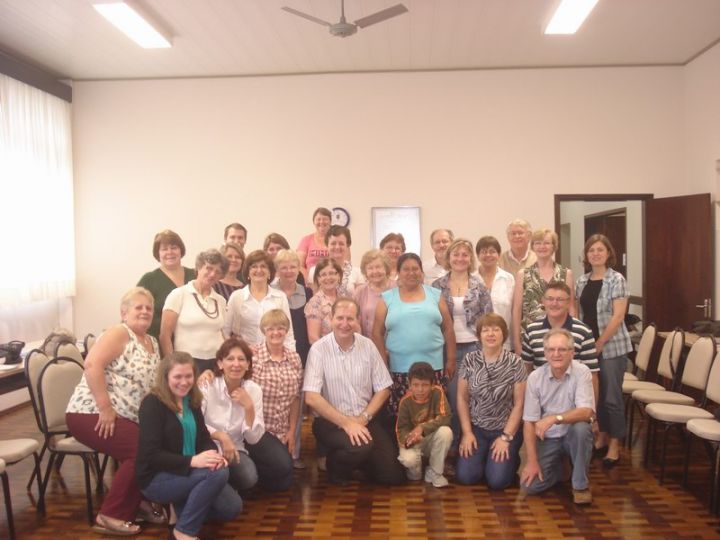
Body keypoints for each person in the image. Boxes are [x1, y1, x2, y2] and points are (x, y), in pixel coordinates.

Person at [66, 287, 164, 535]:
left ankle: (138, 503)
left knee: (153, 444)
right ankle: (110, 515)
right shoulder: (119, 333)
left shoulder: (151, 341)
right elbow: (92, 364)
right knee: (141, 449)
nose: (144, 311)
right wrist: (105, 407)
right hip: (91, 414)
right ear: (124, 312)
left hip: (127, 418)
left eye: (148, 308)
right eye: (138, 307)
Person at [135, 352, 242, 540]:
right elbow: (152, 455)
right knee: (217, 474)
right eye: (177, 376)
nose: (184, 382)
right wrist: (194, 461)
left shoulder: (192, 400)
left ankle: (180, 508)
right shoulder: (152, 404)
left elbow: (203, 437)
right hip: (157, 477)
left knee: (231, 508)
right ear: (166, 377)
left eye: (188, 376)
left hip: (188, 471)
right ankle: (183, 531)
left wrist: (213, 455)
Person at [303, 298, 406, 486]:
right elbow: (311, 397)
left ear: (357, 319)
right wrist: (347, 424)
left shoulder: (367, 346)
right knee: (361, 446)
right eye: (339, 318)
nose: (344, 324)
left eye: (350, 319)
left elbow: (384, 389)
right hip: (331, 422)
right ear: (331, 319)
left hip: (365, 418)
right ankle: (336, 468)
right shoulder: (319, 350)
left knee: (393, 476)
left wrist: (362, 419)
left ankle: (358, 461)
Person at [200, 337, 293, 493]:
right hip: (207, 445)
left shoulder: (253, 390)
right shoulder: (208, 384)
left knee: (249, 477)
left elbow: (253, 438)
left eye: (241, 359)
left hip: (236, 447)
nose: (236, 364)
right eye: (230, 359)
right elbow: (197, 423)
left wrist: (249, 407)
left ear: (248, 364)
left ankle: (229, 482)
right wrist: (222, 436)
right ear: (220, 363)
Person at [373, 253, 456, 416]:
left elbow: (448, 328)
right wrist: (382, 363)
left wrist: (451, 359)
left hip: (434, 369)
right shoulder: (387, 298)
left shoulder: (435, 295)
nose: (411, 273)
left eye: (415, 269)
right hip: (399, 370)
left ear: (422, 272)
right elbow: (377, 333)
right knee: (403, 417)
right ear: (398, 272)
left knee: (433, 416)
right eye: (406, 269)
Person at [520, 329, 596, 505]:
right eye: (551, 350)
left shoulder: (582, 372)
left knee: (582, 428)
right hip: (548, 439)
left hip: (572, 435)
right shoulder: (535, 377)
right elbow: (529, 422)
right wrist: (532, 462)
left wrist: (554, 418)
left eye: (562, 350)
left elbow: (586, 411)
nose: (556, 354)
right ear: (545, 353)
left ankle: (580, 486)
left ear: (572, 352)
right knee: (530, 486)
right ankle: (562, 467)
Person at [575, 234, 632, 466]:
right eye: (591, 251)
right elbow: (579, 314)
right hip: (588, 347)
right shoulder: (582, 281)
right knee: (594, 397)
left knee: (611, 398)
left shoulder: (616, 279)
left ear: (609, 253)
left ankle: (615, 444)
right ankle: (602, 436)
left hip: (612, 347)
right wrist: (585, 343)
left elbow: (618, 316)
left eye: (600, 250)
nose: (595, 254)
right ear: (586, 255)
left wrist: (599, 343)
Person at [432, 239, 493, 444]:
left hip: (474, 348)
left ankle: (472, 442)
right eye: (456, 254)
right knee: (453, 397)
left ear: (470, 259)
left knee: (473, 396)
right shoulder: (437, 286)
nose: (460, 259)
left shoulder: (479, 285)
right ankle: (454, 445)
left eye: (465, 255)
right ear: (449, 258)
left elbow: (488, 318)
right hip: (447, 350)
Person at [456, 313, 526, 489]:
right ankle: (485, 456)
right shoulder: (469, 360)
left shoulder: (516, 362)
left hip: (504, 429)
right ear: (479, 335)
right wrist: (467, 432)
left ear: (504, 334)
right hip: (477, 428)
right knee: (466, 477)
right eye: (485, 330)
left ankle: (509, 458)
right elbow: (462, 398)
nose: (491, 334)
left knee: (497, 482)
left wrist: (506, 437)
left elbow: (519, 404)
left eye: (496, 330)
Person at [521, 281, 599, 403]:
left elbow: (592, 376)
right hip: (541, 400)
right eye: (550, 299)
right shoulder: (531, 331)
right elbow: (527, 370)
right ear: (543, 301)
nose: (554, 303)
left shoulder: (583, 331)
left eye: (560, 299)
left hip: (573, 401)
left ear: (568, 302)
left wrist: (592, 415)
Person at [160, 249, 229, 374]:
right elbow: (165, 335)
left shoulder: (221, 301)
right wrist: (171, 365)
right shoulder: (178, 294)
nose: (212, 274)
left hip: (215, 362)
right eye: (209, 268)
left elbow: (221, 333)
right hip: (186, 362)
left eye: (217, 272)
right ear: (199, 268)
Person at [252, 310, 304, 470]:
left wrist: (292, 431)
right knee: (282, 466)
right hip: (258, 430)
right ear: (264, 331)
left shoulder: (294, 358)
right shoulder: (253, 357)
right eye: (270, 328)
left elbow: (295, 398)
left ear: (287, 331)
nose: (276, 332)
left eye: (281, 328)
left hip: (282, 431)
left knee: (284, 479)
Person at [512, 228, 574, 354]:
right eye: (538, 243)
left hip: (560, 336)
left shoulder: (566, 273)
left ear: (554, 246)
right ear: (533, 247)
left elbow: (571, 307)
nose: (542, 247)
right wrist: (517, 343)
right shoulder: (522, 274)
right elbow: (517, 310)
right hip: (530, 337)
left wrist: (573, 336)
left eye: (546, 243)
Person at [396, 361, 452, 488]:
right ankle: (415, 472)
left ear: (432, 384)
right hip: (414, 441)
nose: (420, 389)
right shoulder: (405, 402)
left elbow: (445, 417)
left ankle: (435, 472)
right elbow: (401, 429)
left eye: (425, 385)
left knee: (445, 431)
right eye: (415, 385)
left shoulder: (438, 392)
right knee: (409, 462)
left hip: (431, 438)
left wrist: (422, 428)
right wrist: (411, 439)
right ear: (409, 385)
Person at [224, 250, 295, 350]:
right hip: (245, 356)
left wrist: (291, 358)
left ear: (270, 271)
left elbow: (289, 334)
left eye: (263, 266)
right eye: (254, 266)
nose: (259, 270)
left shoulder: (280, 297)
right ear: (248, 272)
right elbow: (225, 332)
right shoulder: (237, 297)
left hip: (273, 357)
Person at [137, 229, 195, 339]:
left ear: (181, 250)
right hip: (159, 341)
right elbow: (136, 311)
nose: (170, 252)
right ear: (158, 254)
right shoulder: (149, 279)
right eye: (164, 249)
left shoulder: (195, 275)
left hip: (194, 342)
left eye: (174, 248)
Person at [272, 249, 313, 365]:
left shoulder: (308, 293)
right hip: (277, 352)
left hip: (304, 353)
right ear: (277, 270)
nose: (289, 271)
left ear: (299, 268)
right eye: (284, 268)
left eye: (293, 267)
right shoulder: (270, 292)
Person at [475, 236, 515, 349]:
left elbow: (514, 312)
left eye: (492, 251)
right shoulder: (471, 279)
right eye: (484, 252)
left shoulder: (509, 279)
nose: (488, 255)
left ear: (499, 254)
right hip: (476, 343)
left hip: (505, 342)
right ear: (477, 255)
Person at [309, 225, 364, 296]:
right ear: (327, 245)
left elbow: (359, 300)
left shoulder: (357, 272)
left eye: (341, 244)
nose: (337, 247)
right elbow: (313, 299)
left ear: (347, 246)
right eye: (333, 243)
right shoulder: (314, 271)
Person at [353, 250, 394, 338]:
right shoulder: (360, 291)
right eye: (370, 268)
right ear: (365, 271)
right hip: (368, 344)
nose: (375, 271)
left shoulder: (397, 289)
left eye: (378, 267)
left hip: (394, 344)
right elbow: (355, 320)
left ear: (386, 268)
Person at [304, 258, 342, 344]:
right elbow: (313, 339)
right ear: (318, 278)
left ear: (339, 275)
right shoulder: (315, 303)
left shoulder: (345, 298)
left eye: (332, 273)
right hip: (326, 354)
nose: (328, 278)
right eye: (323, 274)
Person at [297, 207, 331, 278]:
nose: (321, 222)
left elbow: (345, 264)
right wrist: (309, 280)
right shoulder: (306, 240)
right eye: (318, 219)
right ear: (314, 222)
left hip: (332, 282)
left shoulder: (336, 242)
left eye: (325, 219)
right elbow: (299, 265)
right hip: (310, 283)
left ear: (330, 222)